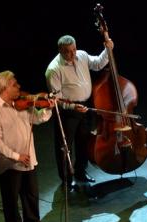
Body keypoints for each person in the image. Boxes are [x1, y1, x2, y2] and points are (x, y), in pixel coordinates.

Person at [0, 70, 54, 222]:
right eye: (15, 84)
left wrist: (47, 108)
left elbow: (38, 119)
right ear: (5, 87)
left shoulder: (22, 104)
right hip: (10, 163)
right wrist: (16, 156)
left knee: (31, 194)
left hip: (29, 158)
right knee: (11, 201)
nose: (19, 87)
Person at [45, 34, 114, 189]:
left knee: (83, 142)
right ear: (60, 51)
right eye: (68, 51)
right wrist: (72, 106)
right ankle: (67, 180)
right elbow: (57, 99)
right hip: (67, 111)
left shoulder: (81, 55)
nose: (73, 54)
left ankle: (80, 172)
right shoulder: (53, 69)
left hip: (85, 107)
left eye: (74, 49)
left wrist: (107, 49)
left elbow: (97, 64)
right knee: (65, 147)